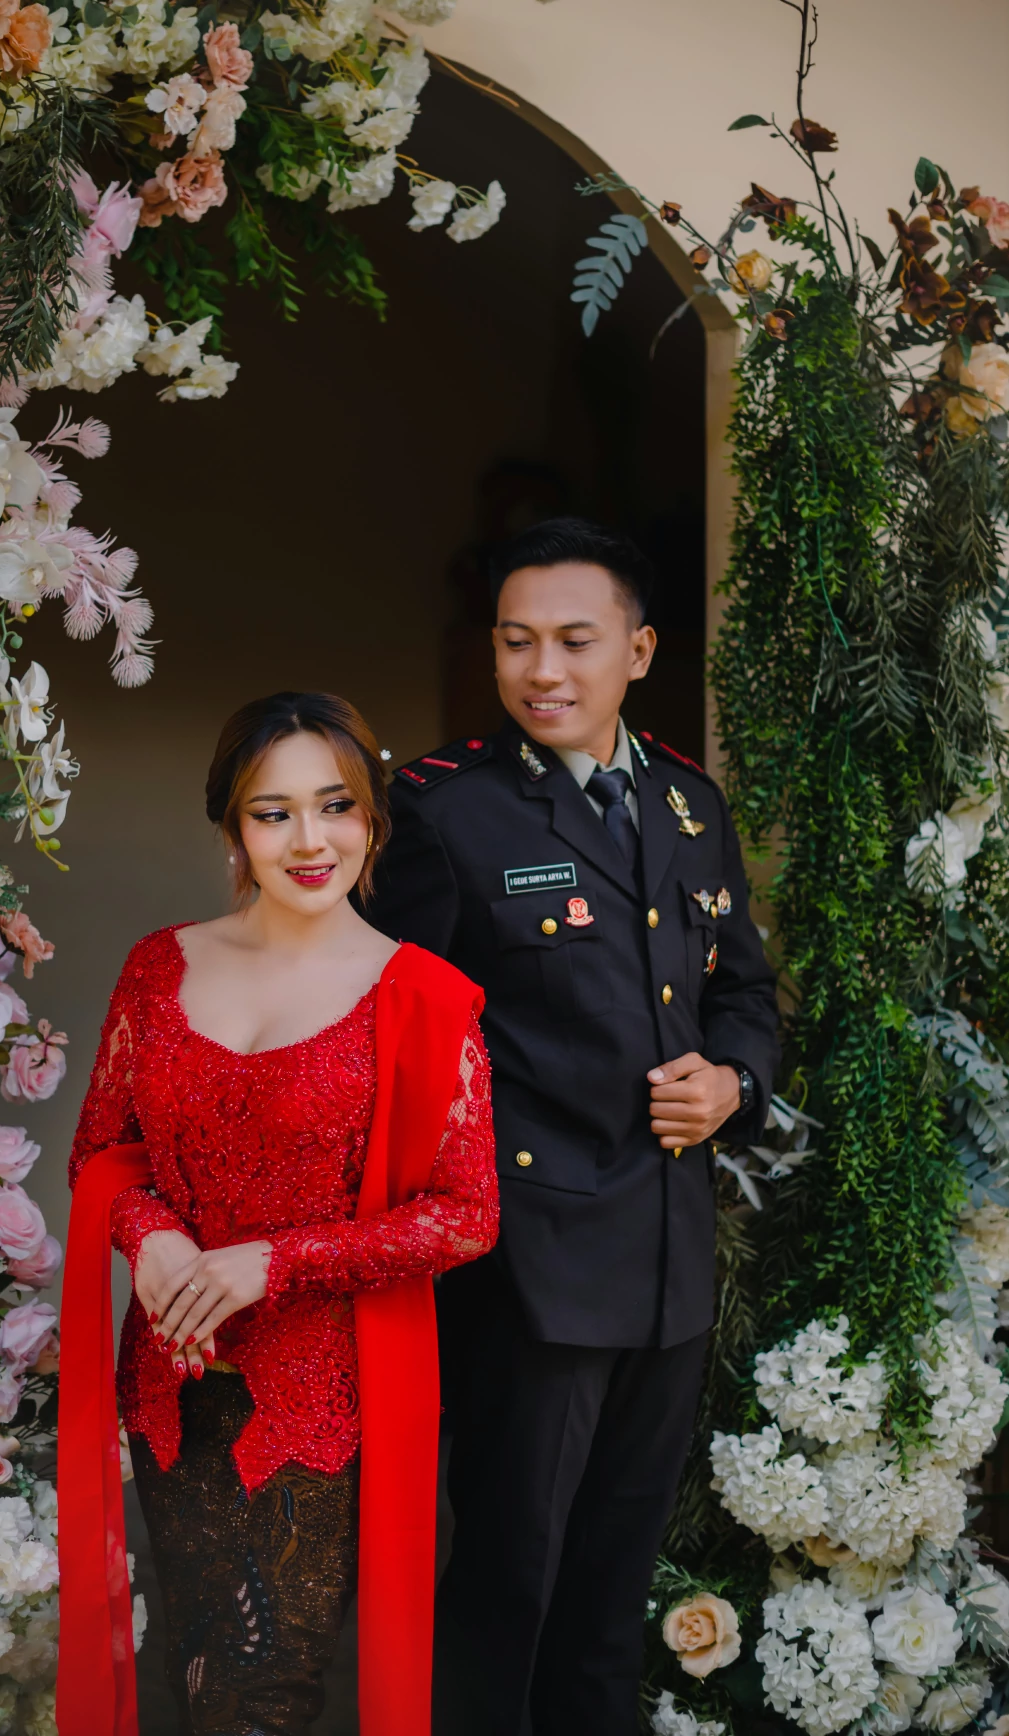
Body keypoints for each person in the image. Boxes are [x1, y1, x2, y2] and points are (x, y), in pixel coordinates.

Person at [363, 518, 780, 1734]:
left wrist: (733, 1084)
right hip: (528, 1265)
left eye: (573, 642)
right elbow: (388, 1039)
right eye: (516, 641)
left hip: (667, 1259)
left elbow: (742, 992)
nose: (541, 670)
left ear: (637, 652)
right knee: (509, 1585)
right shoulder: (444, 811)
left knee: (610, 1592)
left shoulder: (689, 805)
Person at [57, 691, 498, 1736]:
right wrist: (150, 1234)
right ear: (232, 826)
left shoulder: (423, 996)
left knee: (265, 1694)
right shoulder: (158, 967)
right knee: (198, 1671)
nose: (310, 840)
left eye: (335, 806)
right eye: (273, 813)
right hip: (170, 1390)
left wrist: (271, 1263)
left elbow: (466, 1213)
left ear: (373, 819)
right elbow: (101, 1154)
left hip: (319, 1405)